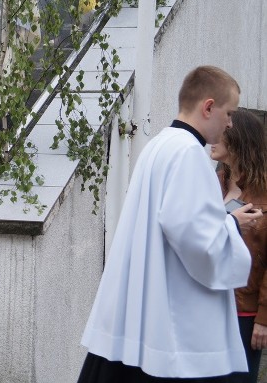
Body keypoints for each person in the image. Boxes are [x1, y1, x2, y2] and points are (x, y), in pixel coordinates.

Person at [79, 66, 263, 382]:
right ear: (208, 107)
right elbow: (194, 237)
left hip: (143, 300)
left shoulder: (160, 144)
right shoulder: (189, 154)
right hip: (169, 308)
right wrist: (231, 226)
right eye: (229, 113)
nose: (230, 123)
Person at [211, 111, 267, 383]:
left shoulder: (263, 191)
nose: (213, 136)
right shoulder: (215, 180)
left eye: (222, 130)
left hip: (243, 310)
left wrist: (264, 317)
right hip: (210, 305)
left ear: (237, 138)